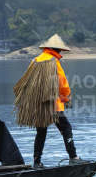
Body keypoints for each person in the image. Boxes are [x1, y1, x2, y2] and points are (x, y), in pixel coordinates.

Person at [12, 34, 78, 167]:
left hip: (37, 104)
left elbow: (27, 80)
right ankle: (73, 157)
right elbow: (61, 81)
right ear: (57, 49)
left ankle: (36, 162)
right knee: (66, 128)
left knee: (41, 132)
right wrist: (66, 96)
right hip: (52, 104)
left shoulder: (35, 60)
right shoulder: (53, 61)